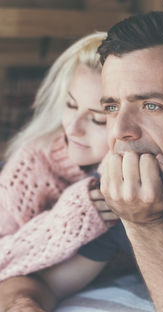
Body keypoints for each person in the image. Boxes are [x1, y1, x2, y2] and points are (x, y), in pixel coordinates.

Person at [0, 12, 163, 312]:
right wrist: (23, 303)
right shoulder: (122, 190)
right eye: (111, 108)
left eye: (151, 105)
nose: (121, 130)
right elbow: (40, 282)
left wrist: (144, 224)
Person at [0, 32, 118, 282]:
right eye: (71, 105)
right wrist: (69, 220)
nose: (73, 128)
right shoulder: (32, 162)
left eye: (98, 119)